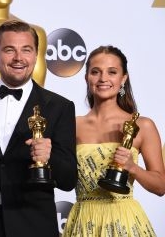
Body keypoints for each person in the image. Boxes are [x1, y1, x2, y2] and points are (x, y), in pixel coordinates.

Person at [0, 20, 77, 237]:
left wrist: (50, 157)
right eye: (9, 50)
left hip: (33, 225)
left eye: (26, 50)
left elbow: (69, 180)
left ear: (36, 56)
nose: (18, 58)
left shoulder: (59, 107)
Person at [62, 45, 165, 236]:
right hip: (84, 222)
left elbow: (160, 187)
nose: (103, 79)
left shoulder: (143, 125)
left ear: (123, 78)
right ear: (86, 77)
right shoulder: (70, 125)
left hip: (125, 222)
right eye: (95, 72)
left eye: (112, 72)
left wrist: (133, 167)